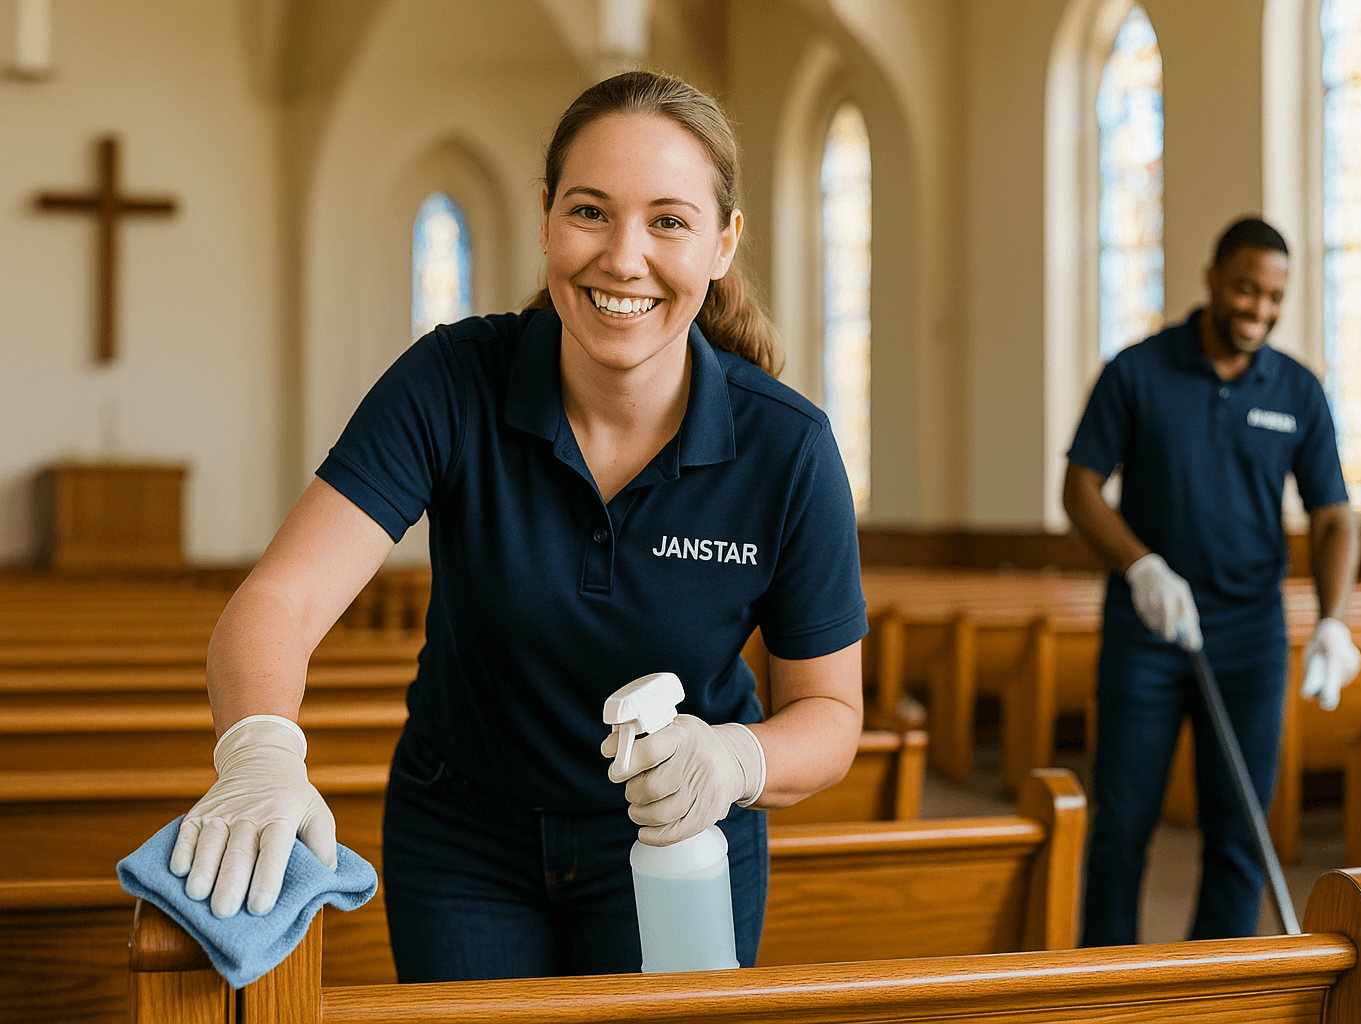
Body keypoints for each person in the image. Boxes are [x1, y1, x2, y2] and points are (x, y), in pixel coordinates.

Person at [166, 71, 867, 981]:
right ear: (545, 219)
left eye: (668, 220)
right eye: (589, 211)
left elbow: (830, 712)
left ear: (723, 245)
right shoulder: (451, 382)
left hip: (682, 837)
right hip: (464, 838)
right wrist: (259, 747)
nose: (623, 258)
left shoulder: (789, 448)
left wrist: (733, 760)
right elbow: (281, 601)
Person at [1063, 217, 1361, 946]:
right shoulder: (1137, 370)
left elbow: (1334, 519)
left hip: (1251, 637)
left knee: (1241, 834)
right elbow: (1080, 488)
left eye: (1273, 297)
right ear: (1212, 278)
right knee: (1122, 826)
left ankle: (1216, 993)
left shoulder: (1296, 389)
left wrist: (1333, 619)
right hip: (1148, 629)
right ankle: (1108, 989)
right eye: (1245, 290)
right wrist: (1141, 564)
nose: (1258, 309)